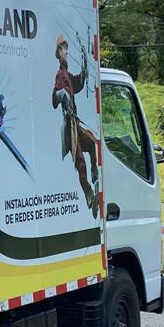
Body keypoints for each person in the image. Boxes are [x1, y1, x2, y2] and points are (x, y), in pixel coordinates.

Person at [50, 34, 99, 217]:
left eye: (67, 51)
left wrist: (86, 64)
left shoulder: (69, 76)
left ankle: (95, 174)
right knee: (80, 163)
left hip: (76, 123)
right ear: (58, 53)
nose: (66, 54)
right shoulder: (59, 76)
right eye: (64, 51)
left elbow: (80, 81)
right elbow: (54, 99)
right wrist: (61, 94)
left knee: (92, 143)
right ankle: (89, 194)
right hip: (69, 126)